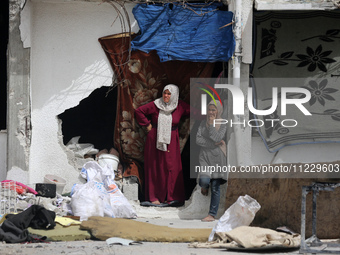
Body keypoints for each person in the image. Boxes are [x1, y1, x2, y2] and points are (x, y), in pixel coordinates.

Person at [135, 84, 190, 207]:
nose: (166, 96)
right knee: (156, 167)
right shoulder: (156, 105)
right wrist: (147, 124)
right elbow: (139, 111)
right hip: (155, 139)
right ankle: (154, 197)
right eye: (164, 93)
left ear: (174, 95)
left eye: (169, 94)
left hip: (172, 141)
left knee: (172, 167)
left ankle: (172, 197)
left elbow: (194, 111)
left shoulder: (179, 106)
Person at [196, 100, 228, 222]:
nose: (211, 112)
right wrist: (212, 144)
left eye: (213, 110)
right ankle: (205, 186)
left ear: (218, 111)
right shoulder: (203, 123)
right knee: (204, 180)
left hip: (217, 158)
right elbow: (198, 140)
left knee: (215, 187)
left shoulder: (223, 124)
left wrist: (212, 124)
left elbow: (217, 137)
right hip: (205, 156)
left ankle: (212, 214)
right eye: (209, 109)